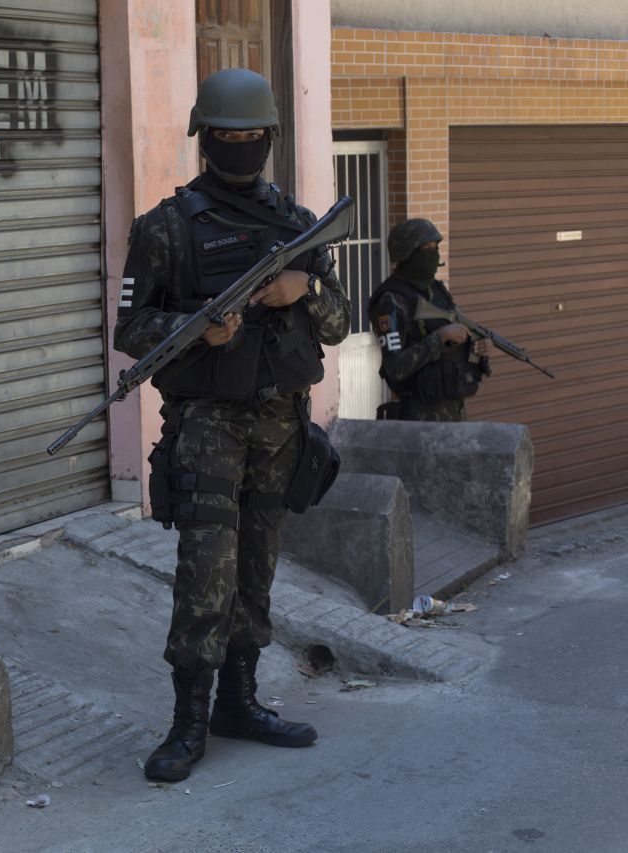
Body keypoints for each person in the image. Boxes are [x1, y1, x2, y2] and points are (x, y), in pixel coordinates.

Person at [113, 67, 351, 783]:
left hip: (279, 429)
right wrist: (197, 330)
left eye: (253, 138)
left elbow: (338, 323)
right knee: (205, 576)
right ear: (205, 140)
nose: (242, 147)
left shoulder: (297, 225)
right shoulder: (165, 229)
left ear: (270, 139)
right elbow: (132, 328)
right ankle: (188, 722)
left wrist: (301, 287)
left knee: (256, 569)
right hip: (208, 430)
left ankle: (240, 702)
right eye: (229, 137)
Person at [367, 219, 491, 421]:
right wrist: (439, 338)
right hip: (419, 420)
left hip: (455, 413)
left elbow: (456, 337)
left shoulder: (436, 290)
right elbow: (395, 367)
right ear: (407, 253)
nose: (433, 253)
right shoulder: (391, 300)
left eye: (436, 247)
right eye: (426, 248)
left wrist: (477, 346)